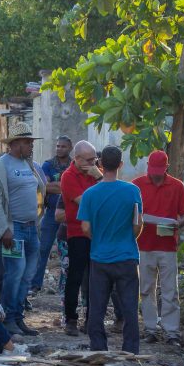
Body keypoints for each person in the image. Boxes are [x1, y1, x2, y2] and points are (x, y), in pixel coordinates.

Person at [77, 145, 143, 354]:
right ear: (121, 165)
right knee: (130, 306)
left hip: (99, 257)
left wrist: (99, 239)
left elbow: (85, 227)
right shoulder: (132, 190)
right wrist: (127, 238)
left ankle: (98, 348)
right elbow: (137, 224)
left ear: (100, 164)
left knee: (97, 307)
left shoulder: (89, 194)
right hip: (127, 256)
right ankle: (131, 350)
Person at [0, 122, 45, 337]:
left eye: (31, 142)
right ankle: (7, 318)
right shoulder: (1, 166)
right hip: (14, 229)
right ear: (16, 144)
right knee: (14, 273)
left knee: (27, 276)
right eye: (28, 142)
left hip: (31, 229)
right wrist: (3, 229)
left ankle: (18, 317)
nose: (30, 146)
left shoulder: (30, 165)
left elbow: (39, 193)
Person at [133, 150, 184, 346]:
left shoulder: (177, 186)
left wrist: (177, 223)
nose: (155, 174)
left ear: (166, 168)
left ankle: (172, 331)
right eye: (152, 170)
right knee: (146, 289)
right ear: (148, 166)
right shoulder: (137, 185)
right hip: (144, 244)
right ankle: (150, 329)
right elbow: (131, 213)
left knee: (170, 290)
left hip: (167, 245)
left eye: (159, 171)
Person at [60, 140, 104, 336]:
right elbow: (85, 202)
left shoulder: (96, 173)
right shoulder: (68, 176)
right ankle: (70, 318)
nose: (93, 164)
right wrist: (99, 181)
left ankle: (92, 320)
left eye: (95, 160)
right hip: (77, 233)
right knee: (75, 277)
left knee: (97, 278)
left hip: (97, 233)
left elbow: (108, 198)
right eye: (89, 160)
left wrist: (100, 178)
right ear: (77, 159)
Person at [32, 136, 73, 294]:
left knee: (69, 252)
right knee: (42, 249)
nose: (59, 149)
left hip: (69, 214)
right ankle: (35, 284)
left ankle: (67, 287)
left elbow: (54, 186)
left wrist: (56, 186)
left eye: (63, 146)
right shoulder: (48, 165)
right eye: (57, 146)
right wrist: (67, 186)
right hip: (50, 214)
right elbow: (45, 186)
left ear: (70, 148)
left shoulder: (73, 165)